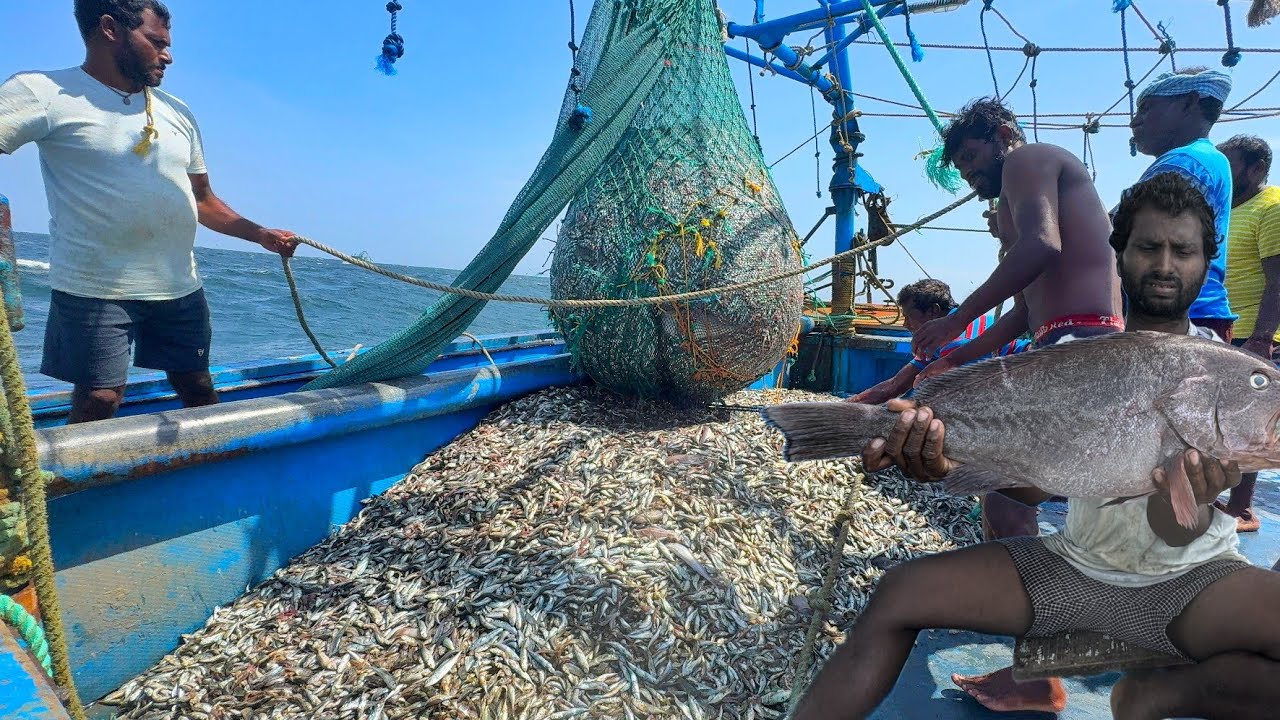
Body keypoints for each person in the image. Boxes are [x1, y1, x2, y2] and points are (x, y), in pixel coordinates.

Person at [791, 173, 1280, 720]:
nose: (1165, 265)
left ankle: (1159, 694)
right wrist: (943, 459)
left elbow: (1178, 529)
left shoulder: (1226, 374)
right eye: (1148, 247)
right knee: (897, 594)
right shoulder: (1075, 354)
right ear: (1119, 255)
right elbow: (1033, 489)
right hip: (1074, 568)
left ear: (1204, 261)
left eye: (1183, 250)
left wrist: (1182, 498)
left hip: (1195, 582)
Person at [0, 0, 297, 424]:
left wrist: (260, 234)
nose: (168, 55)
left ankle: (207, 478)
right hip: (93, 286)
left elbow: (203, 199)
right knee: (101, 399)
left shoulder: (177, 112)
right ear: (109, 29)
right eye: (156, 42)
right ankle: (73, 488)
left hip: (179, 285)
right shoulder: (43, 92)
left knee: (197, 387)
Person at [909, 97, 1123, 541]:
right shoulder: (1014, 201)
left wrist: (955, 321)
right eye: (961, 167)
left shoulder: (1027, 158)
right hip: (1062, 342)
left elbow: (1043, 245)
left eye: (971, 156)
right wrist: (955, 358)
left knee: (1005, 495)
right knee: (1008, 495)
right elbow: (1026, 312)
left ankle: (1021, 598)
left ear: (1003, 136)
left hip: (1082, 341)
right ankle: (1029, 592)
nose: (968, 174)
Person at [1129, 67, 1236, 341]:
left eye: (1147, 108)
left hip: (1177, 317)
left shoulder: (1186, 162)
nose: (1135, 121)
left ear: (1190, 102)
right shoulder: (1207, 158)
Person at [1216, 134, 1279, 533]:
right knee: (1227, 421)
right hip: (1229, 332)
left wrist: (1262, 337)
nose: (1222, 172)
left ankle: (1242, 508)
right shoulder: (1228, 208)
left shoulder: (1270, 207)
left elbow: (1279, 279)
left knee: (1252, 425)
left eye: (1230, 165)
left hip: (1258, 335)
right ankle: (1231, 497)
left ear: (1255, 169)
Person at [847, 279, 1028, 405]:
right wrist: (844, 406)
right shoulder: (935, 343)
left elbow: (927, 399)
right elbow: (894, 386)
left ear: (934, 311)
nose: (905, 324)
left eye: (910, 316)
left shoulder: (959, 338)